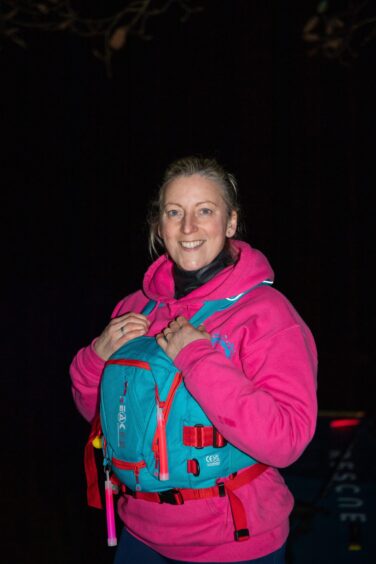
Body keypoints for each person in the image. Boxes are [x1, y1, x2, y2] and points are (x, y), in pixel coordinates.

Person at [70, 156, 318, 563]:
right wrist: (94, 358)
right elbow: (103, 418)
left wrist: (196, 356)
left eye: (205, 211)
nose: (188, 228)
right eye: (174, 212)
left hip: (235, 542)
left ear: (231, 222)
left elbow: (287, 440)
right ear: (158, 225)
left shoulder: (266, 314)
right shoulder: (136, 308)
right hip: (141, 538)